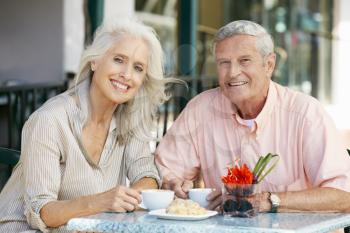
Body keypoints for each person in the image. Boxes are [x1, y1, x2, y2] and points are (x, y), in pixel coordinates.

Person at [155, 20, 350, 213]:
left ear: (269, 64)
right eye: (224, 63)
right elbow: (164, 172)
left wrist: (270, 201)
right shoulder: (200, 109)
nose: (233, 73)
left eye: (244, 61)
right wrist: (175, 185)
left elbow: (344, 195)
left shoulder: (306, 114)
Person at [0, 19, 173, 232]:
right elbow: (42, 212)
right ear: (95, 62)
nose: (127, 75)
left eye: (138, 68)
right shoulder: (50, 120)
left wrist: (125, 199)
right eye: (119, 60)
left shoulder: (130, 117)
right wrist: (102, 203)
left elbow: (147, 174)